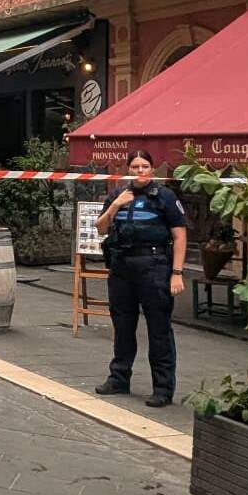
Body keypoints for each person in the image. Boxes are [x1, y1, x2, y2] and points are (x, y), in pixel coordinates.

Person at [94, 151, 188, 407]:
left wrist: (177, 273)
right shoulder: (118, 195)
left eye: (145, 166)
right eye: (134, 166)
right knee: (122, 326)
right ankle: (119, 378)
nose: (139, 171)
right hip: (122, 266)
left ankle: (163, 388)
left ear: (152, 169)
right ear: (128, 170)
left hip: (155, 266)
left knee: (158, 330)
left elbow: (179, 236)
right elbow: (100, 228)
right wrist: (115, 206)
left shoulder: (165, 197)